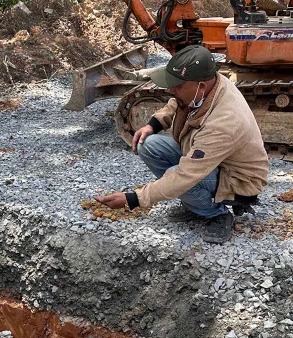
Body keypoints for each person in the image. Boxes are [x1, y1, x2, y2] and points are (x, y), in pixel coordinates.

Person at [95, 46, 269, 243]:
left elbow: (185, 175)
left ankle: (217, 214)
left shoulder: (224, 123)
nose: (171, 89)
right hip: (214, 161)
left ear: (201, 86)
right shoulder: (210, 84)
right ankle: (195, 202)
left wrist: (133, 199)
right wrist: (153, 124)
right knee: (149, 145)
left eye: (177, 85)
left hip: (238, 180)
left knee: (176, 177)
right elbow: (177, 102)